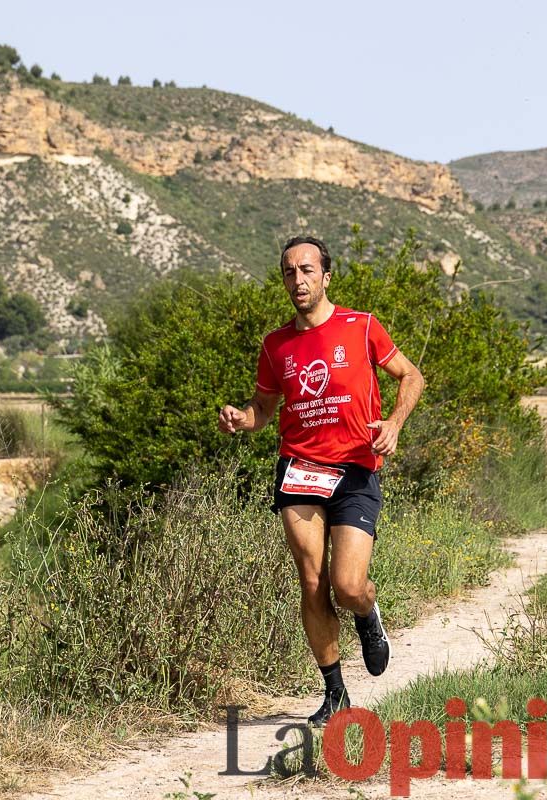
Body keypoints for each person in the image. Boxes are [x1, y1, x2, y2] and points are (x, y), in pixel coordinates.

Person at [218, 235, 425, 726]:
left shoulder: (362, 326)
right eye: (290, 272)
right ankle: (335, 693)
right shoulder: (276, 344)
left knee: (348, 584)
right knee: (311, 581)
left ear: (326, 276)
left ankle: (367, 615)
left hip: (355, 467)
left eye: (308, 270)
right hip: (300, 468)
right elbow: (264, 409)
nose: (298, 280)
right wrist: (242, 419)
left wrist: (393, 424)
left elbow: (410, 375)